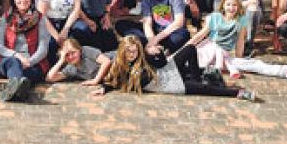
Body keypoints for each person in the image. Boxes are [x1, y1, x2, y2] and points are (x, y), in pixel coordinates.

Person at [189, 0, 287, 81]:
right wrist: (184, 49)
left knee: (255, 64)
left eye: (234, 5)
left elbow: (239, 45)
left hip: (225, 59)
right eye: (228, 5)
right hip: (208, 53)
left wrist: (240, 60)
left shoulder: (240, 22)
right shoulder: (215, 18)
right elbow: (199, 36)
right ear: (223, 5)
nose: (231, 8)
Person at [91, 35, 254, 101]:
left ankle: (198, 77)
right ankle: (238, 92)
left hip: (166, 71)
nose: (132, 55)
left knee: (190, 48)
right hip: (168, 84)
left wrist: (158, 53)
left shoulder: (143, 58)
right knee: (206, 90)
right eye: (128, 52)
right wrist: (104, 89)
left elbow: (161, 63)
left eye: (134, 51)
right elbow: (114, 81)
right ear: (122, 52)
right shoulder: (121, 67)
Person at [0, 0, 51, 102]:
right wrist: (18, 56)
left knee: (26, 75)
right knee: (14, 63)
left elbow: (43, 48)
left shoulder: (40, 18)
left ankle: (15, 89)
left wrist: (30, 61)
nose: (22, 0)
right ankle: (21, 85)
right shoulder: (6, 17)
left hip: (33, 63)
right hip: (9, 60)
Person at [45, 38, 113, 85]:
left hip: (117, 59)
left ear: (79, 50)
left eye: (73, 52)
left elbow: (106, 61)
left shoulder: (86, 51)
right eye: (67, 55)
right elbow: (50, 78)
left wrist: (96, 80)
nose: (71, 57)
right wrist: (61, 60)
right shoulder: (71, 68)